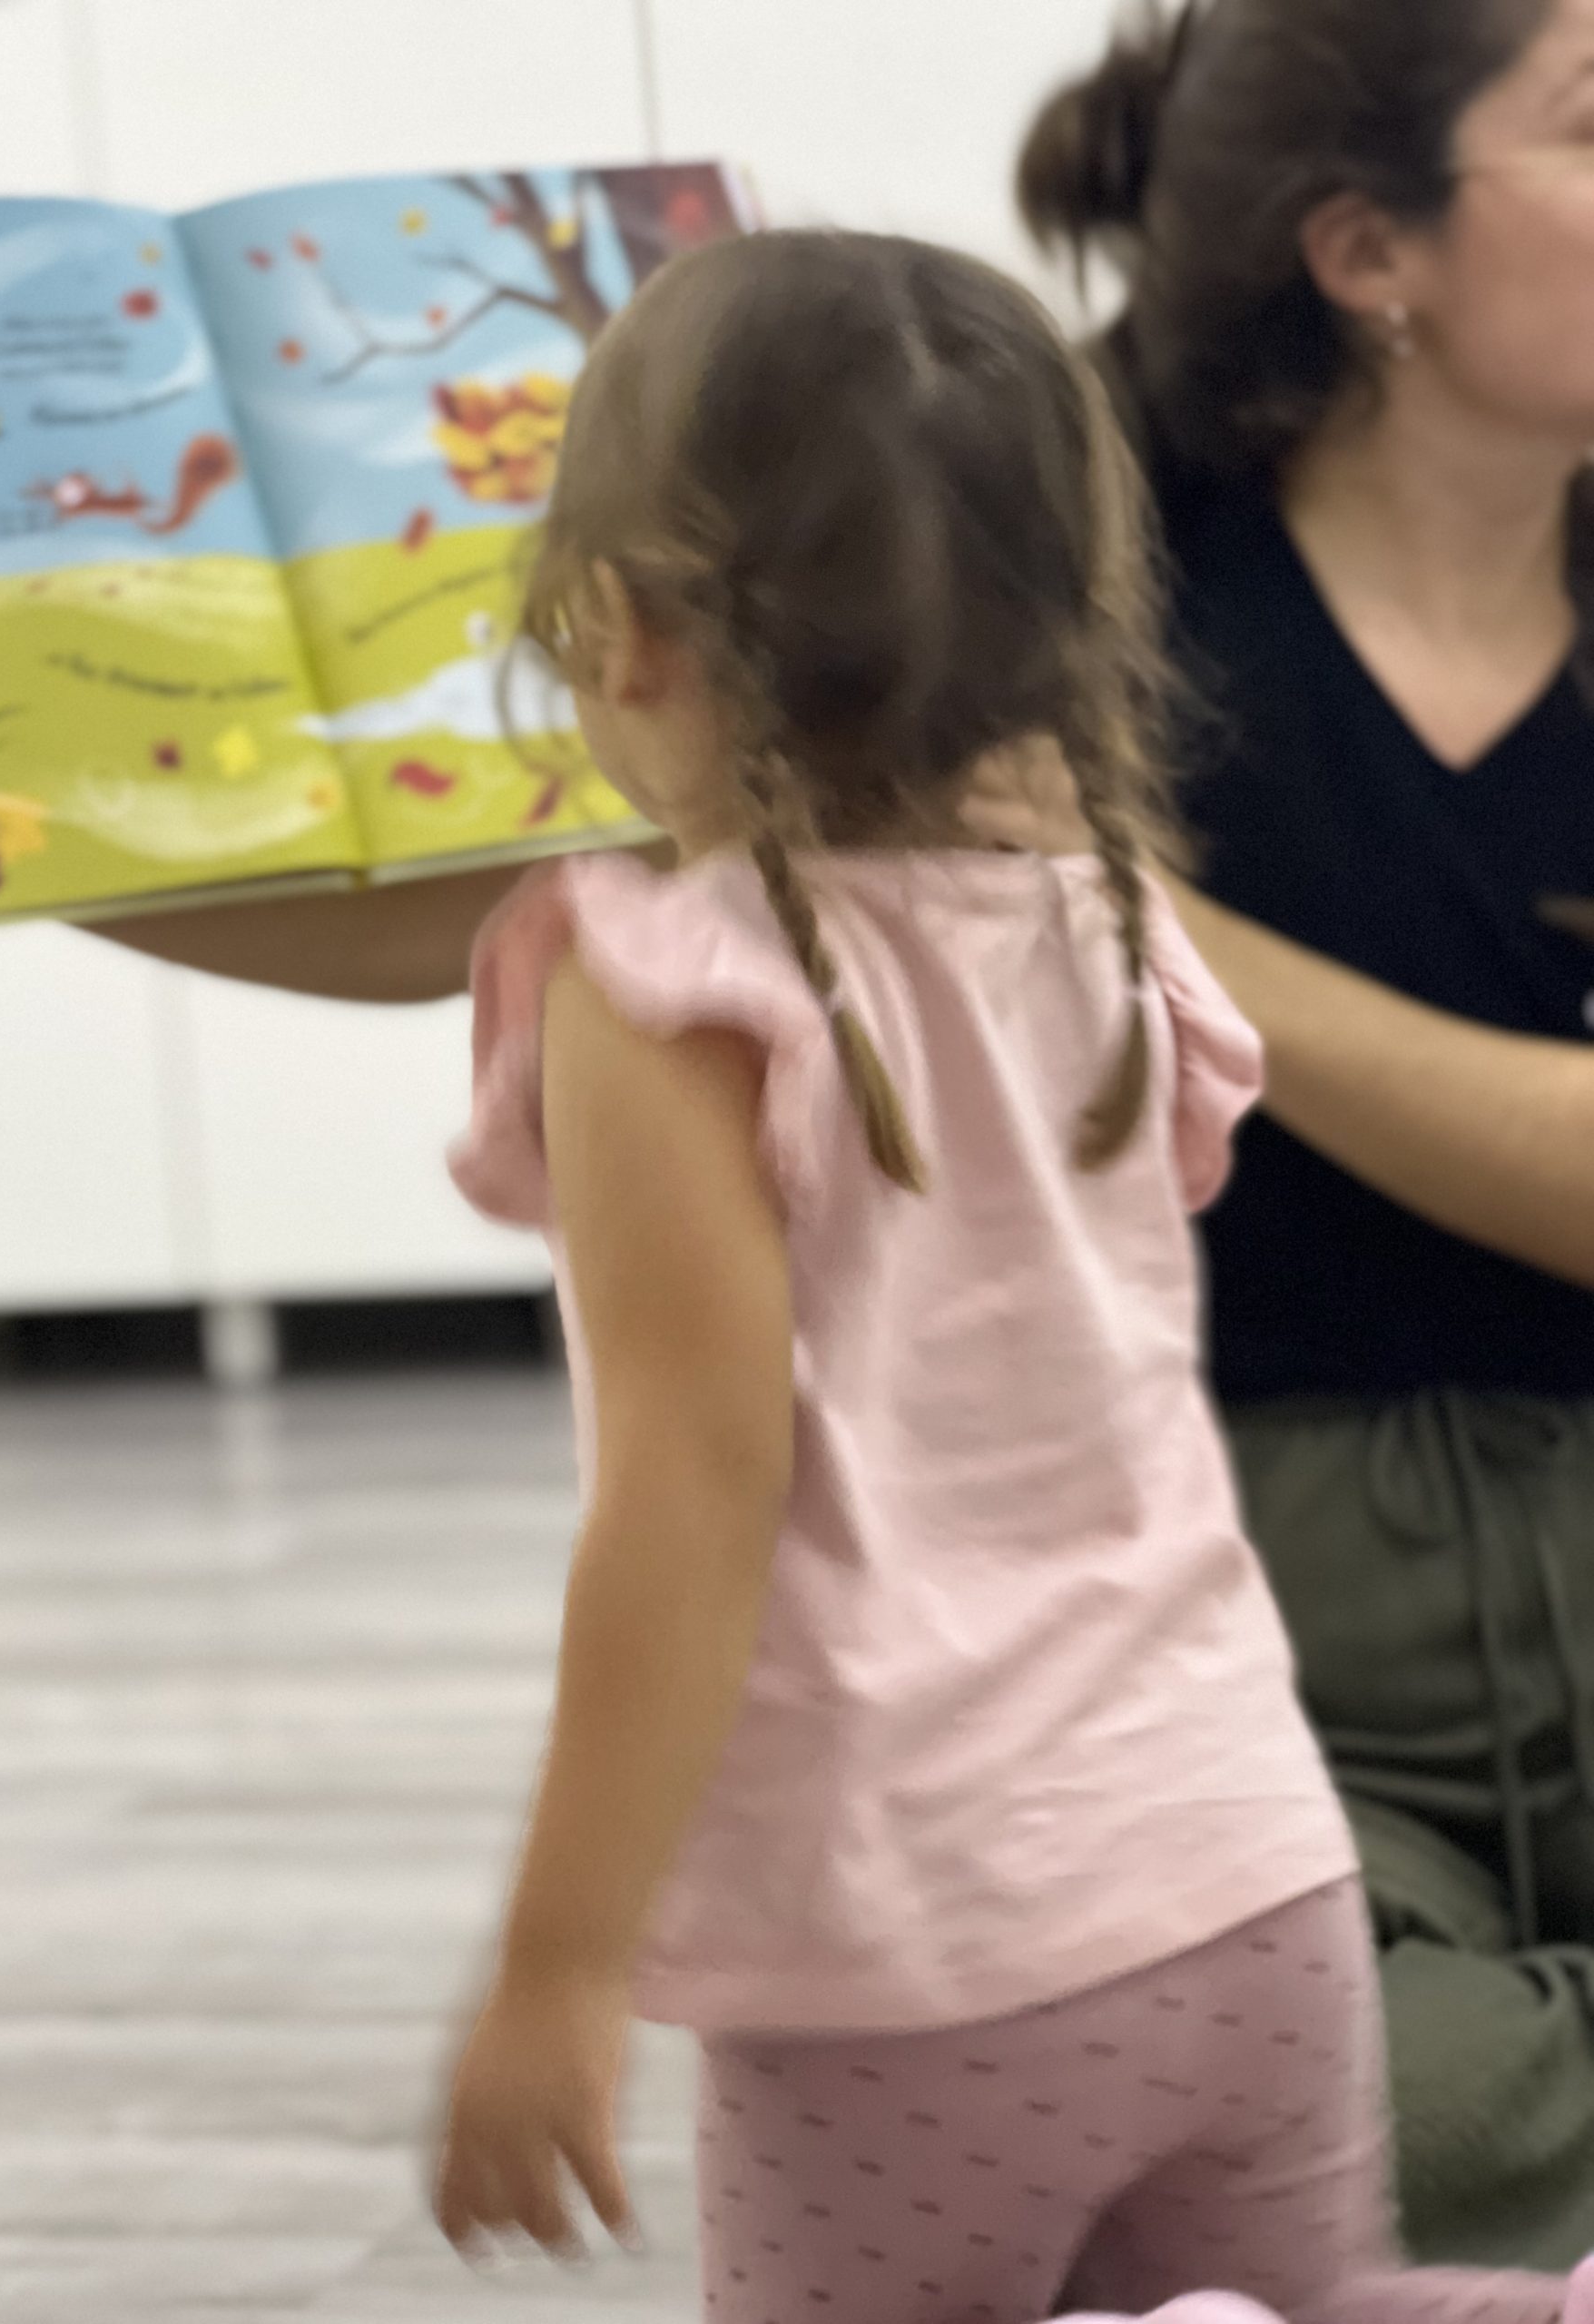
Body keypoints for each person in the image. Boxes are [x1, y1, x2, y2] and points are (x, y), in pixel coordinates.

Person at [409, 222, 1594, 2324]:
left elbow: (693, 1487)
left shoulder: (662, 979)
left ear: (618, 626)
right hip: (1247, 1868)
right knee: (1322, 2295)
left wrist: (557, 1964)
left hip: (919, 1957)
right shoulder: (1115, 920)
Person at [1017, 0, 1594, 2269]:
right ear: (1372, 253)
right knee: (1341, 2118)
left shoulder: (1080, 811)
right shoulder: (1086, 588)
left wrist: (1140, 919)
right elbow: (612, 850)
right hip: (1262, 1641)